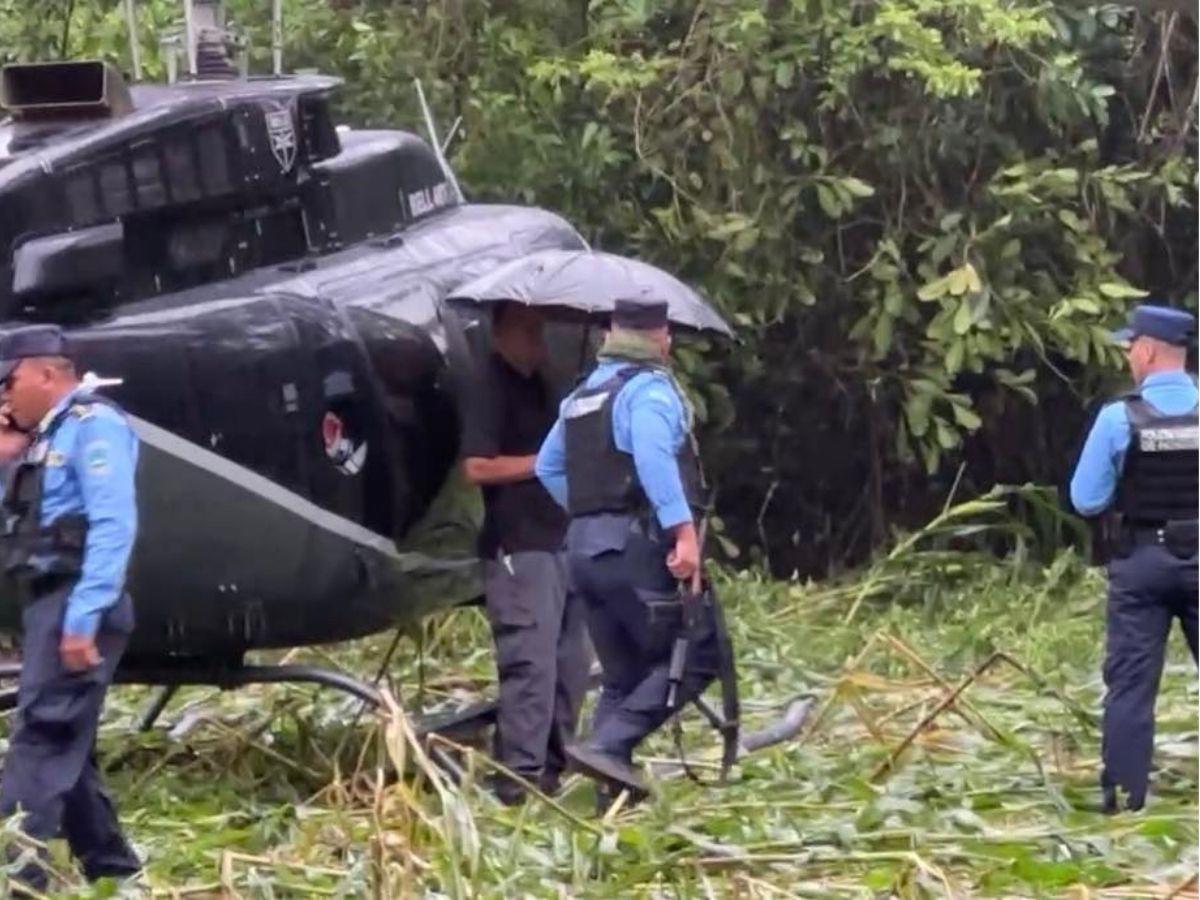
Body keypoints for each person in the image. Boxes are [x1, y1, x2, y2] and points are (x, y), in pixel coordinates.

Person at [535, 297, 721, 801]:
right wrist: (682, 534)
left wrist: (591, 512)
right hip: (634, 549)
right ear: (662, 338)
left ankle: (608, 796)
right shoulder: (649, 392)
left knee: (622, 675)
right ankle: (607, 748)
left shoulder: (581, 398)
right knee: (701, 654)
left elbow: (546, 468)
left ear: (611, 334)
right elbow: (653, 455)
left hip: (583, 549)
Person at [0, 325, 141, 889]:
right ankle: (115, 871)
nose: (4, 398)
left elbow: (114, 524)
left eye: (7, 384)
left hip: (77, 601)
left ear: (46, 373)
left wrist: (83, 619)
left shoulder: (94, 426)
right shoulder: (41, 439)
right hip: (47, 603)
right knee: (66, 748)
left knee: (39, 739)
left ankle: (14, 874)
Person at [1069, 303, 1198, 814]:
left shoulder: (1118, 418)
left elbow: (1086, 499)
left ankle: (1125, 799)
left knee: (1130, 686)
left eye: (1129, 348)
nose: (1127, 357)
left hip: (1142, 561)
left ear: (1146, 350)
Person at [459, 302, 589, 805]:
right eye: (530, 331)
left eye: (542, 330)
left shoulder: (546, 385)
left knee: (570, 662)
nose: (539, 341)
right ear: (504, 331)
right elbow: (477, 467)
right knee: (531, 665)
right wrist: (540, 462)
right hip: (517, 544)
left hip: (561, 536)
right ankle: (517, 780)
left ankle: (555, 768)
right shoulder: (488, 385)